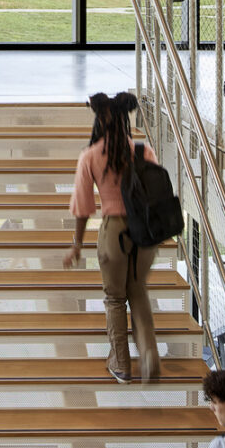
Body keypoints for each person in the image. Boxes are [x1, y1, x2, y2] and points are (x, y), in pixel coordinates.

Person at [65, 92, 164, 385]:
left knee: (115, 298)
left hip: (113, 232)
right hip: (144, 232)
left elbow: (83, 207)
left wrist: (77, 244)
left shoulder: (91, 156)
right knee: (139, 291)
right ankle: (149, 357)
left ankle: (121, 364)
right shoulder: (143, 151)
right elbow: (157, 189)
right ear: (125, 120)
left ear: (100, 122)